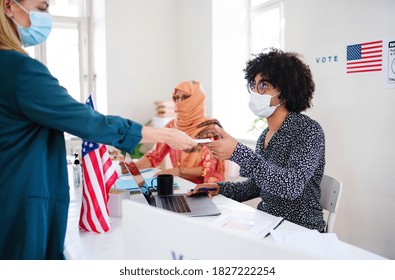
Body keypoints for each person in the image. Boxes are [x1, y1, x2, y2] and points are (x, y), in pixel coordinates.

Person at [0, 0, 197, 260]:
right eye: (43, 7)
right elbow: (86, 120)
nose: (47, 16)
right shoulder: (21, 70)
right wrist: (164, 135)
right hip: (23, 200)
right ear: (9, 6)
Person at [190, 48, 326, 232]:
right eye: (253, 85)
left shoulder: (308, 130)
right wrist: (220, 188)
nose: (255, 91)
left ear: (285, 92)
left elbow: (291, 185)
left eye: (263, 85)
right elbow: (258, 185)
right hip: (267, 223)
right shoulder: (265, 134)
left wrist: (238, 152)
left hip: (300, 229)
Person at [121, 80, 225, 184]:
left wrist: (178, 171)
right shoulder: (173, 126)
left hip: (204, 189)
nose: (179, 102)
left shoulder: (211, 129)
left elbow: (209, 169)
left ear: (196, 99)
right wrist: (132, 167)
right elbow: (154, 156)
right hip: (181, 185)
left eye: (185, 97)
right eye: (176, 98)